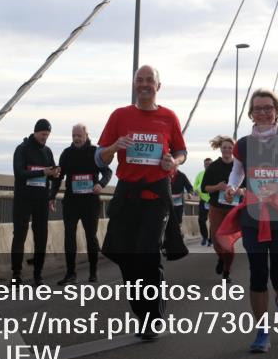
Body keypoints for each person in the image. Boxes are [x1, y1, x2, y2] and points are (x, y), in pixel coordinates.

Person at [95, 65, 187, 339]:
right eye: (140, 80)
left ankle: (152, 318)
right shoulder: (120, 116)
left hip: (156, 195)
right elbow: (100, 157)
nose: (145, 84)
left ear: (158, 86)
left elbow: (181, 151)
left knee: (147, 254)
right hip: (127, 193)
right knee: (124, 255)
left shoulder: (168, 117)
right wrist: (114, 148)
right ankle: (142, 311)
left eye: (150, 80)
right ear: (135, 85)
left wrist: (175, 161)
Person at [214, 89, 278, 353]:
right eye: (258, 109)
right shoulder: (243, 144)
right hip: (253, 215)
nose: (264, 113)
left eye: (268, 108)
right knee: (257, 274)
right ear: (251, 113)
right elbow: (237, 173)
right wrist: (232, 187)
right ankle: (262, 331)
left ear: (277, 111)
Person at [55, 123, 112, 285]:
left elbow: (107, 172)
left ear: (86, 135)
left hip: (90, 202)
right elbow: (59, 177)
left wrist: (100, 184)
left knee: (91, 237)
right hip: (71, 202)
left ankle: (93, 272)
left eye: (79, 136)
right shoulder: (67, 153)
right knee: (69, 237)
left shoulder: (94, 152)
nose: (76, 139)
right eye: (74, 136)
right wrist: (51, 195)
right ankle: (70, 273)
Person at [11, 119, 60, 285]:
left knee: (41, 238)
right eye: (42, 134)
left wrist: (55, 174)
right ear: (35, 132)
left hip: (41, 200)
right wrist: (42, 172)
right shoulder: (22, 149)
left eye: (47, 135)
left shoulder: (47, 152)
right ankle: (16, 275)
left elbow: (52, 173)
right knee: (19, 235)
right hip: (23, 199)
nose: (45, 138)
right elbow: (19, 173)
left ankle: (38, 275)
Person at [202, 136, 235, 279]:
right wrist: (218, 187)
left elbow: (248, 188)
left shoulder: (239, 166)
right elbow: (204, 188)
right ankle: (221, 258)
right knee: (216, 240)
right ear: (220, 149)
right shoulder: (214, 166)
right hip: (216, 208)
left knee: (228, 243)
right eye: (224, 147)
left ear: (233, 149)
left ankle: (227, 270)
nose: (227, 150)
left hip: (233, 209)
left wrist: (240, 190)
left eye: (230, 147)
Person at [194, 158, 213, 246]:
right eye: (206, 164)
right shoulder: (200, 174)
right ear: (204, 165)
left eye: (209, 164)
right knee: (201, 220)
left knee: (213, 221)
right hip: (203, 200)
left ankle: (211, 240)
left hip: (213, 201)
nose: (208, 165)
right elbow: (195, 186)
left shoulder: (215, 174)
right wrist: (196, 190)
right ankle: (204, 237)